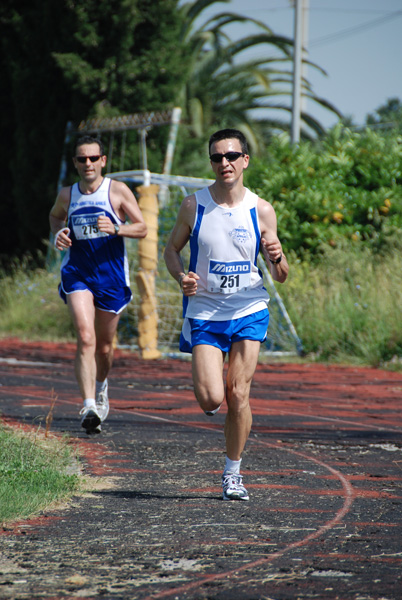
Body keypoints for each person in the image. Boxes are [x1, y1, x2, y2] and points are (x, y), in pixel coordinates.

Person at [164, 128, 289, 501]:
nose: (225, 163)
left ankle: (232, 473)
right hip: (204, 310)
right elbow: (171, 251)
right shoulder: (193, 205)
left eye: (232, 156)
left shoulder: (261, 209)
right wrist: (181, 276)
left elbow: (281, 276)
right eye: (217, 157)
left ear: (245, 160)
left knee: (239, 392)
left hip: (249, 306)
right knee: (210, 399)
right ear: (211, 163)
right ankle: (217, 405)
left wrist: (278, 255)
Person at [49, 135, 147, 434]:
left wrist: (117, 228)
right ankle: (89, 404)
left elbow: (142, 227)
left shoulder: (116, 191)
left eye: (93, 158)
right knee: (85, 336)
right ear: (76, 163)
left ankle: (101, 386)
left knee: (104, 348)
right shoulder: (68, 195)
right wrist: (59, 234)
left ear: (103, 161)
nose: (88, 164)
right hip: (78, 273)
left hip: (111, 277)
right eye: (82, 159)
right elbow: (55, 217)